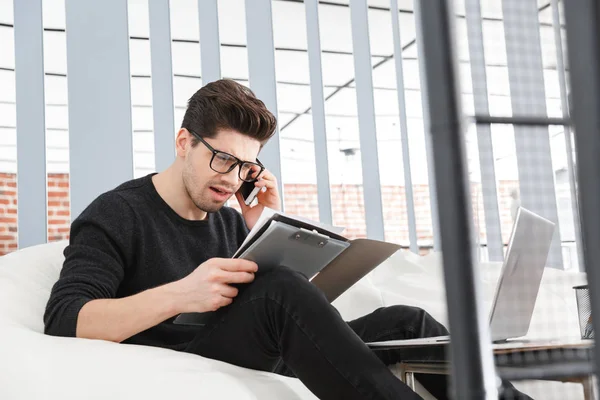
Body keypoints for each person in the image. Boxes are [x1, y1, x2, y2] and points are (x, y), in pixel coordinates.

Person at [44, 79, 530, 400]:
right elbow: (65, 318)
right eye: (222, 159)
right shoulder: (118, 212)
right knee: (281, 290)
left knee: (407, 323)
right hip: (188, 350)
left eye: (246, 167)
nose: (234, 179)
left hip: (257, 342)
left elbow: (272, 313)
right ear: (184, 141)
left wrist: (262, 225)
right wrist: (181, 294)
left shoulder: (230, 219)